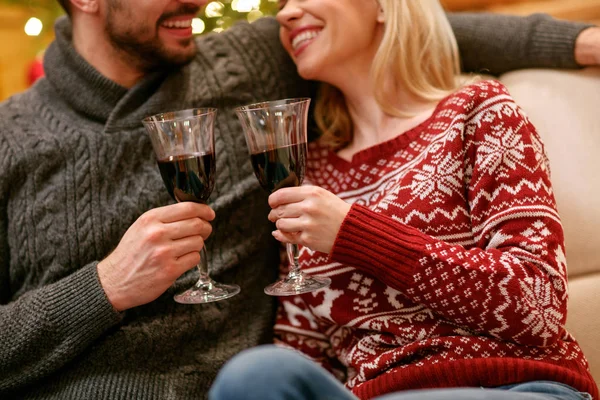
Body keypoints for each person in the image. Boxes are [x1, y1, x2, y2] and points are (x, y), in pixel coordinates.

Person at [0, 0, 599, 398]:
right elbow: (304, 343)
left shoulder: (249, 71)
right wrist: (100, 288)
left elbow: (418, 26)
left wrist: (581, 40)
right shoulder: (10, 140)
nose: (200, 0)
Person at [208, 1, 600, 400]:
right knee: (256, 375)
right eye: (282, 2)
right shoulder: (311, 171)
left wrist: (355, 233)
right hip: (370, 394)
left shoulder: (478, 111)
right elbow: (306, 346)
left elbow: (538, 307)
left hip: (509, 384)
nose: (287, 14)